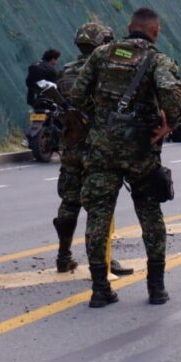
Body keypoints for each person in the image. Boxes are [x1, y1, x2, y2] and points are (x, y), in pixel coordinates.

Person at [70, 7, 181, 308]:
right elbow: (171, 93)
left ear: (129, 27)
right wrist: (169, 122)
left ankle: (99, 289)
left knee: (98, 217)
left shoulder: (102, 54)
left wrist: (102, 120)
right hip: (140, 151)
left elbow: (78, 96)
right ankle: (156, 288)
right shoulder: (158, 59)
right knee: (150, 215)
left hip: (102, 149)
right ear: (155, 31)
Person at [52, 22, 133, 277]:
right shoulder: (104, 70)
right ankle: (104, 260)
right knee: (99, 206)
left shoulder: (65, 71)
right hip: (98, 146)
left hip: (72, 144)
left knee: (69, 200)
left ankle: (63, 255)